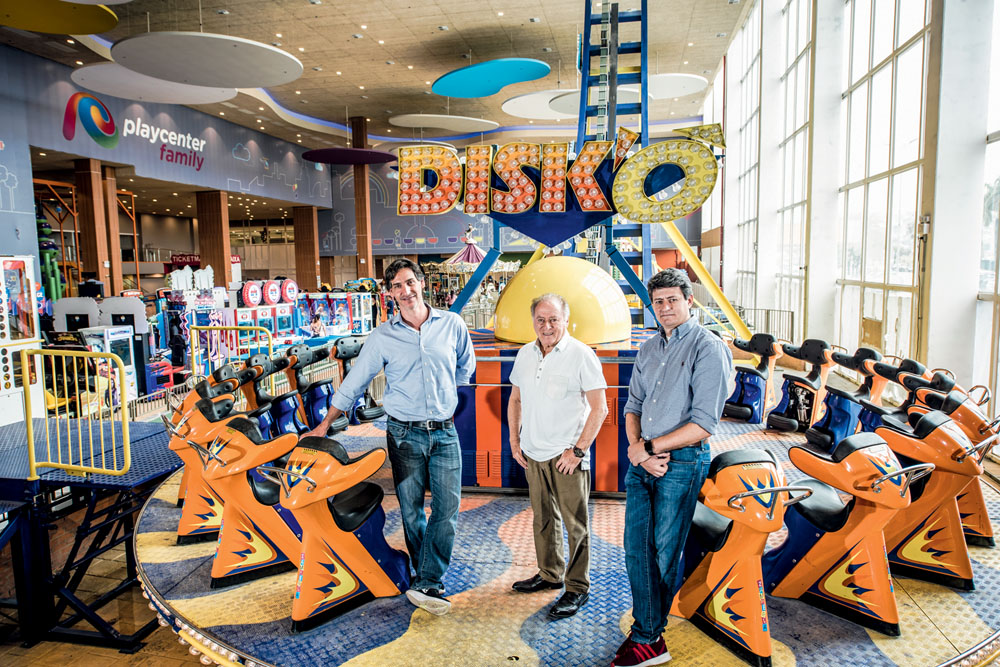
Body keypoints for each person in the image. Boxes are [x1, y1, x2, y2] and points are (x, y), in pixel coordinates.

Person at [305, 258, 475, 616]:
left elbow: (465, 368)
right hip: (403, 435)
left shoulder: (452, 325)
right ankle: (428, 579)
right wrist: (324, 424)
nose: (405, 290)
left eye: (410, 282)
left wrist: (449, 402)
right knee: (411, 510)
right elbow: (355, 382)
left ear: (422, 283)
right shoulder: (383, 336)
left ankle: (426, 577)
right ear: (390, 293)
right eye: (397, 286)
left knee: (447, 509)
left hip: (444, 432)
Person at [611, 268, 733, 667]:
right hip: (643, 460)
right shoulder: (649, 348)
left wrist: (649, 448)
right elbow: (633, 406)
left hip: (681, 462)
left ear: (689, 301)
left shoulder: (707, 347)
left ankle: (648, 636)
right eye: (658, 302)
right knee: (636, 549)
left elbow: (704, 423)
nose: (665, 308)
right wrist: (639, 450)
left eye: (672, 300)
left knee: (664, 551)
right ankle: (648, 632)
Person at [508, 294, 608, 618]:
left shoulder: (581, 355)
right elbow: (515, 400)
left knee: (575, 525)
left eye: (553, 319)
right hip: (533, 454)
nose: (547, 326)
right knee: (543, 520)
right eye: (540, 320)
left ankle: (577, 587)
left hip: (567, 458)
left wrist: (578, 451)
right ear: (533, 322)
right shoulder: (525, 354)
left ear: (566, 320)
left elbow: (600, 408)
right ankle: (550, 574)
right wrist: (514, 440)